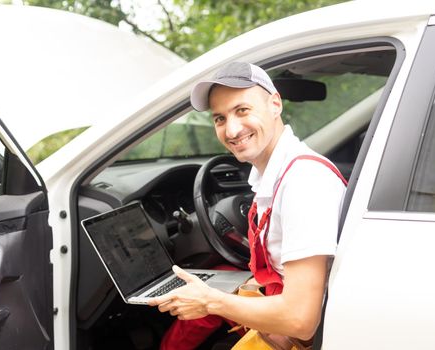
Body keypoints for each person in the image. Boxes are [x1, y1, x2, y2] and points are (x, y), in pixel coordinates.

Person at [148, 62, 346, 349]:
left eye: (242, 110)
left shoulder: (304, 182)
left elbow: (301, 320)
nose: (232, 130)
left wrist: (211, 302)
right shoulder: (276, 174)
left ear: (275, 104)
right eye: (220, 118)